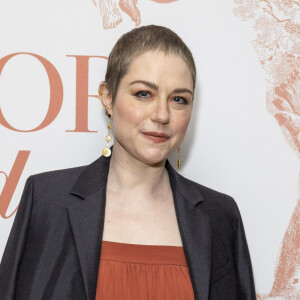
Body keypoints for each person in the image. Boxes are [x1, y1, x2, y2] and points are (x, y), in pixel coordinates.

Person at [0, 25, 256, 300]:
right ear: (107, 97)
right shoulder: (46, 200)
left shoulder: (220, 215)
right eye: (144, 94)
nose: (162, 115)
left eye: (179, 99)